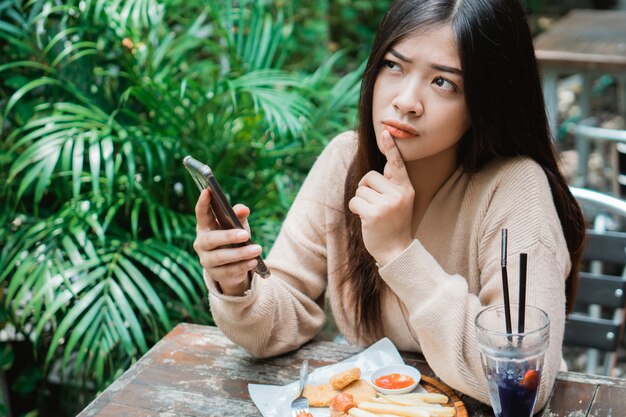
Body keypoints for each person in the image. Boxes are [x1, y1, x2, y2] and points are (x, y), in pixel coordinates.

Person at [193, 0, 585, 409]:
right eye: (394, 66)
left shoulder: (516, 188)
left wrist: (398, 252)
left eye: (444, 83)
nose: (406, 100)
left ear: (484, 101)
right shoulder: (345, 161)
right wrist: (237, 283)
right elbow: (275, 325)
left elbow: (524, 384)